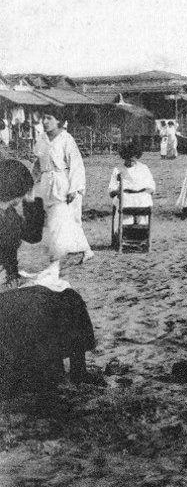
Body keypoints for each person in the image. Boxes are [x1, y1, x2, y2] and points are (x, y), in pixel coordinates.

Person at [0, 160, 98, 394]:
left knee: (68, 297)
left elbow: (31, 238)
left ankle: (79, 371)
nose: (22, 197)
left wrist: (34, 203)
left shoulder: (11, 214)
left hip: (10, 279)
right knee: (37, 304)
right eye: (22, 192)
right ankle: (44, 370)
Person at [33, 113, 93, 262]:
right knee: (56, 218)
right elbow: (37, 163)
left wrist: (74, 188)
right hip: (47, 182)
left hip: (63, 182)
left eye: (49, 118)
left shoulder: (66, 139)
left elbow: (76, 164)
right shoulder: (41, 139)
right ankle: (84, 249)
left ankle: (59, 254)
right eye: (43, 118)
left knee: (62, 218)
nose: (45, 122)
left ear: (58, 121)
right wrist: (31, 182)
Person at [108, 140, 156, 242]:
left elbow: (151, 187)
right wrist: (119, 191)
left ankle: (142, 234)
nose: (130, 162)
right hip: (124, 196)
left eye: (133, 159)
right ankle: (124, 234)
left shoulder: (143, 168)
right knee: (123, 203)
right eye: (128, 159)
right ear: (124, 157)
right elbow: (112, 191)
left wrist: (146, 191)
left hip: (140, 196)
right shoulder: (118, 169)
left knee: (144, 200)